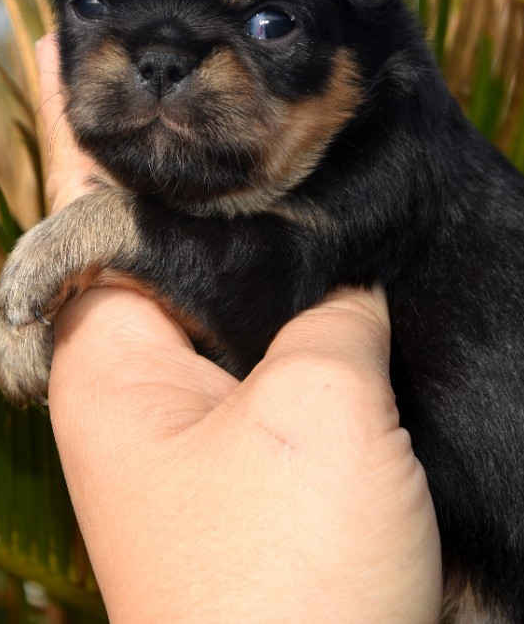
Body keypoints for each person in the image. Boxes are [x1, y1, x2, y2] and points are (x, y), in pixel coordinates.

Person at [33, 35, 444, 622]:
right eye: (92, 9)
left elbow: (266, 281)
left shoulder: (385, 169)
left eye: (269, 23)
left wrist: (104, 233)